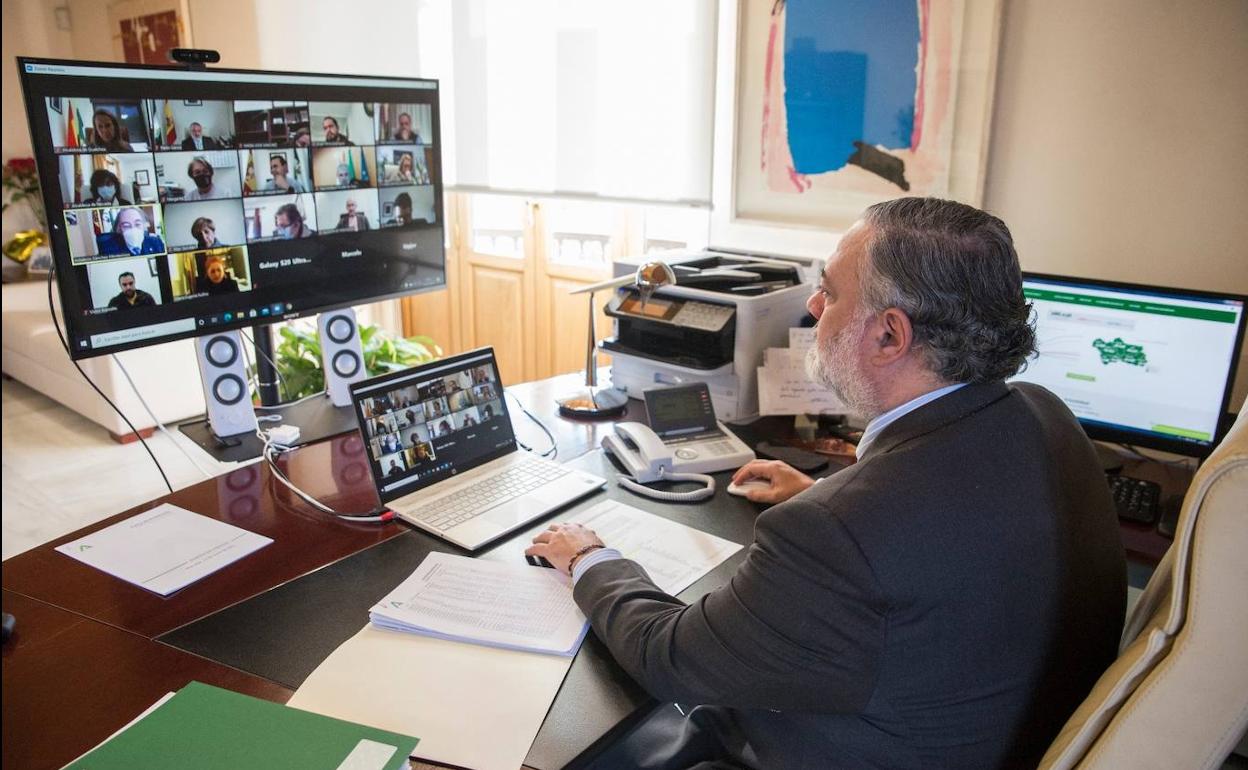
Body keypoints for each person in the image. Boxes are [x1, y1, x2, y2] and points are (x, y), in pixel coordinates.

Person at [527, 197, 1128, 769]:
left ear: (890, 335)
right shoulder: (1042, 413)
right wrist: (832, 493)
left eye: (830, 291)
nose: (813, 305)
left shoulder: (837, 531)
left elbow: (670, 657)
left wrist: (591, 557)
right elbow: (949, 521)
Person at [98, 207, 164, 256]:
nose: (133, 229)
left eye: (137, 224)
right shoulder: (107, 249)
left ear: (144, 226)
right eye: (126, 226)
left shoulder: (156, 242)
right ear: (119, 229)